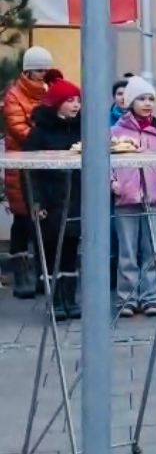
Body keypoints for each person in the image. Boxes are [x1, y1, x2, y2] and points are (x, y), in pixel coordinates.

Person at [111, 76, 156, 317]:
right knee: (127, 252)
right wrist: (114, 184)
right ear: (130, 101)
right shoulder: (115, 131)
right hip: (126, 200)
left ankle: (151, 297)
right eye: (141, 98)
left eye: (151, 98)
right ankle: (127, 298)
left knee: (152, 251)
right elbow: (107, 163)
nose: (147, 103)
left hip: (154, 199)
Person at [24, 75, 82, 320]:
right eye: (70, 100)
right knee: (49, 251)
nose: (76, 105)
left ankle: (70, 299)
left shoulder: (82, 128)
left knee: (70, 249)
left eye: (78, 100)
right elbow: (29, 172)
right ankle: (54, 301)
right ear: (57, 103)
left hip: (75, 198)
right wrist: (35, 202)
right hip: (50, 200)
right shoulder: (39, 133)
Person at [3, 46, 52, 298]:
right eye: (38, 70)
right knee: (23, 218)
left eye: (46, 69)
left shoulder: (49, 91)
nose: (43, 74)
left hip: (46, 163)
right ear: (28, 71)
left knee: (44, 218)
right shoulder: (14, 95)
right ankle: (21, 271)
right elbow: (17, 127)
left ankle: (44, 273)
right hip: (21, 164)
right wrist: (46, 134)